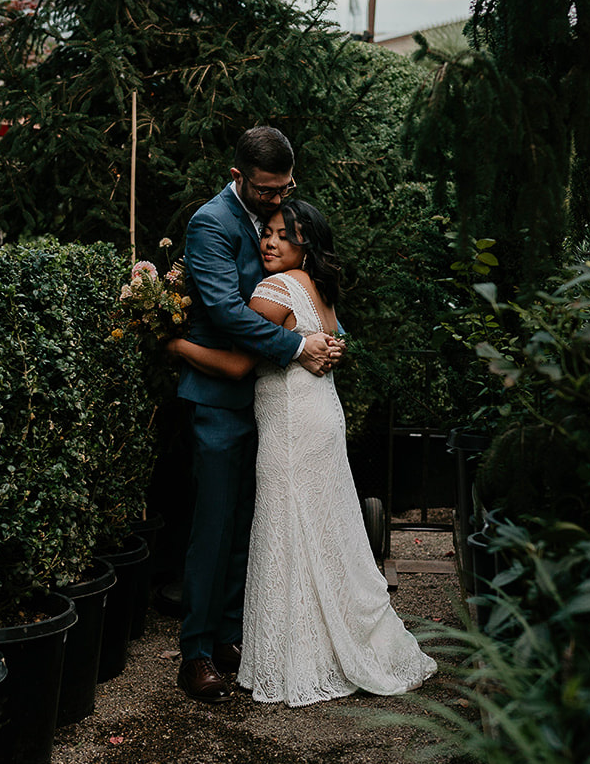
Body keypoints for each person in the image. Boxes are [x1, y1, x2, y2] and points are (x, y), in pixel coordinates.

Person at [169, 199, 437, 707]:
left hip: (292, 428)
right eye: (266, 233)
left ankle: (297, 651)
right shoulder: (319, 290)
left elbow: (236, 365)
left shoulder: (275, 288)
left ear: (305, 248)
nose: (269, 243)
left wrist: (176, 347)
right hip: (321, 421)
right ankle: (319, 639)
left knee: (287, 533)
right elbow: (328, 337)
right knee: (322, 530)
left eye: (282, 237)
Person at [174, 127, 342, 704]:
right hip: (220, 394)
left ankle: (228, 636)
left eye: (284, 189)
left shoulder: (280, 220)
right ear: (236, 174)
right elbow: (221, 309)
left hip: (275, 403)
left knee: (252, 523)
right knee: (214, 525)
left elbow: (309, 288)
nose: (276, 201)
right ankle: (194, 654)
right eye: (266, 191)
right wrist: (297, 347)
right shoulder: (210, 222)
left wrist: (328, 338)